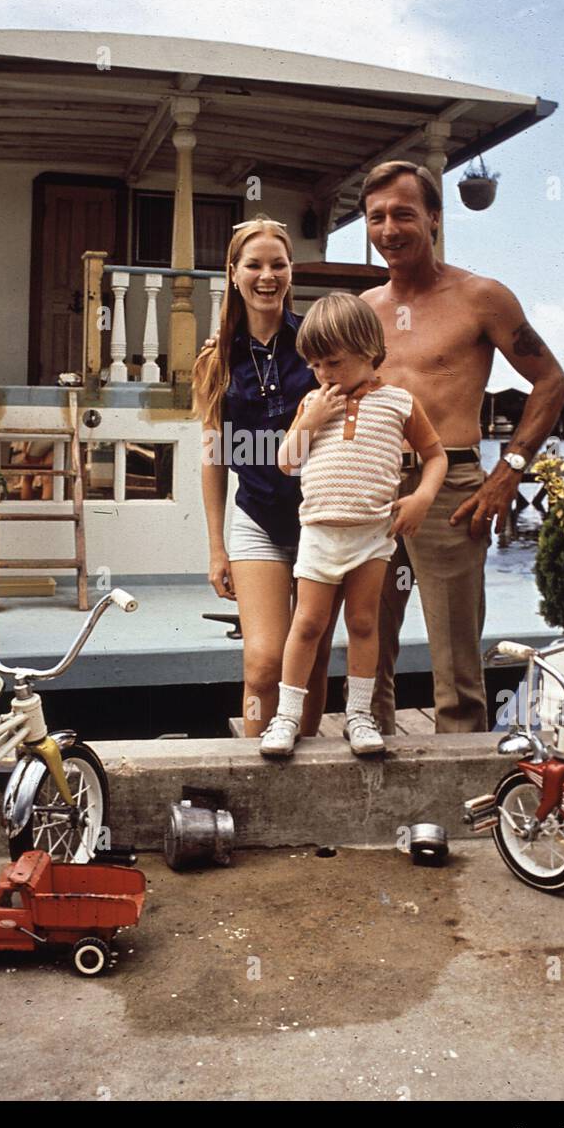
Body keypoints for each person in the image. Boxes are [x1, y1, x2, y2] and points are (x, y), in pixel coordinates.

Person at [357, 161, 564, 734]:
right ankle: (370, 761)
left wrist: (510, 472)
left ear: (433, 218)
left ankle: (462, 793)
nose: (390, 229)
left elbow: (550, 381)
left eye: (403, 213)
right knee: (366, 638)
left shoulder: (481, 297)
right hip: (371, 484)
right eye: (376, 217)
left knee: (454, 654)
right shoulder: (365, 310)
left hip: (451, 485)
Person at [260, 292, 447, 757]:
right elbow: (286, 462)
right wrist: (312, 419)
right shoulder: (314, 403)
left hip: (373, 535)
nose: (324, 374)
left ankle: (359, 716)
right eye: (315, 365)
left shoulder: (399, 402)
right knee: (306, 625)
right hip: (321, 532)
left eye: (334, 362)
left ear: (368, 351)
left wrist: (421, 497)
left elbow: (435, 456)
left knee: (364, 624)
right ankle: (285, 718)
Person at [192, 217, 340, 738]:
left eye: (278, 264)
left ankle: (307, 763)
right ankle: (256, 771)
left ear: (291, 271)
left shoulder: (317, 344)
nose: (267, 275)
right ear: (233, 273)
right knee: (262, 664)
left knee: (315, 655)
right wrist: (216, 548)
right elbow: (213, 456)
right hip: (256, 519)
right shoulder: (215, 360)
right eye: (253, 264)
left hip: (321, 519)